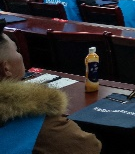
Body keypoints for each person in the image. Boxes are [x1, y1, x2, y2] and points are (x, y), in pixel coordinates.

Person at [0, 19, 102, 153]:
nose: (20, 55)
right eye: (16, 50)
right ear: (6, 68)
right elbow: (91, 147)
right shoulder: (41, 126)